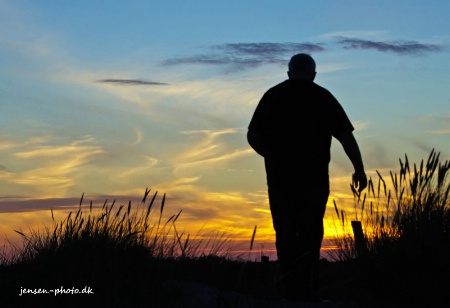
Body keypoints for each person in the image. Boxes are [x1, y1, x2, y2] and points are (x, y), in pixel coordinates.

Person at [247, 53, 367, 302]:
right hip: (315, 180)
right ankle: (309, 292)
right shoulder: (323, 97)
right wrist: (359, 169)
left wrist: (271, 155)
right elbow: (346, 137)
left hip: (280, 179)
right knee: (311, 232)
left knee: (285, 231)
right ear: (313, 74)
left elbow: (252, 135)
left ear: (289, 73)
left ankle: (290, 290)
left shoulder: (274, 95)